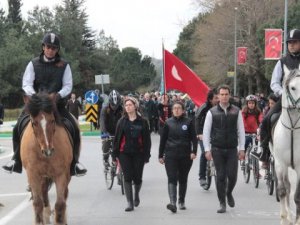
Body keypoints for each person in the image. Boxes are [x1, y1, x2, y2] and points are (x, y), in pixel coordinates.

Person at [2, 33, 87, 176]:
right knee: (18, 126)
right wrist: (35, 97)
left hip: (56, 105)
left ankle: (75, 163)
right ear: (43, 47)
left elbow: (68, 85)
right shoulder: (33, 63)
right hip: (36, 105)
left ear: (57, 50)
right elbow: (27, 83)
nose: (51, 50)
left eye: (54, 48)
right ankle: (16, 160)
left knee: (73, 126)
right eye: (48, 47)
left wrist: (58, 95)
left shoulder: (64, 65)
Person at [203, 84, 245, 213]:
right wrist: (206, 149)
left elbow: (241, 131)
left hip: (232, 148)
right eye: (222, 94)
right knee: (220, 176)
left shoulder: (236, 111)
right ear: (218, 96)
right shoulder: (212, 112)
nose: (224, 97)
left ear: (229, 95)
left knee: (232, 176)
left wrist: (242, 148)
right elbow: (206, 131)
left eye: (226, 94)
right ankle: (222, 203)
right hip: (217, 149)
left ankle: (229, 192)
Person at [260, 29, 300, 155]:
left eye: (294, 42)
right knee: (267, 119)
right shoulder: (281, 62)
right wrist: (283, 93)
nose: (291, 45)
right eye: (289, 42)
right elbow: (274, 83)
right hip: (285, 100)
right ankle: (265, 151)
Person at [113, 97, 151, 212]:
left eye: (130, 105)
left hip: (138, 153)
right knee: (128, 176)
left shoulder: (143, 122)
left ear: (135, 106)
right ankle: (129, 202)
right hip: (124, 153)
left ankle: (136, 195)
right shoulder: (121, 122)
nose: (128, 107)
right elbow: (117, 139)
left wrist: (146, 155)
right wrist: (115, 154)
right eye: (126, 105)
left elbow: (147, 140)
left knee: (138, 178)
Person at [158, 101, 197, 213]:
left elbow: (194, 138)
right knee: (172, 178)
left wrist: (194, 151)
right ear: (172, 110)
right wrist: (160, 155)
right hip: (171, 155)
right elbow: (163, 140)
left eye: (179, 108)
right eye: (174, 108)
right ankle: (173, 203)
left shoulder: (189, 122)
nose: (176, 110)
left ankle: (181, 200)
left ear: (183, 110)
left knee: (183, 178)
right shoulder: (168, 123)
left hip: (185, 155)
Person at [195, 89, 218, 188]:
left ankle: (217, 174)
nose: (218, 99)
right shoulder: (204, 108)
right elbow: (197, 120)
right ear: (210, 99)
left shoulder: (220, 107)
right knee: (205, 152)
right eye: (216, 98)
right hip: (203, 134)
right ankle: (202, 177)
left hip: (215, 133)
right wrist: (199, 133)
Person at [253, 93, 279, 167]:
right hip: (267, 133)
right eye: (270, 103)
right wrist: (259, 130)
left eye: (272, 103)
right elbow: (263, 121)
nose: (270, 105)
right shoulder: (267, 110)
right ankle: (264, 157)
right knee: (266, 143)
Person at [100, 90, 123, 168]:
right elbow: (102, 121)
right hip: (107, 131)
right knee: (106, 143)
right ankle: (105, 159)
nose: (115, 107)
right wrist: (104, 132)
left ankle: (118, 160)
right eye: (113, 105)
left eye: (117, 105)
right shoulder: (105, 109)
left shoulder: (122, 109)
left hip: (118, 131)